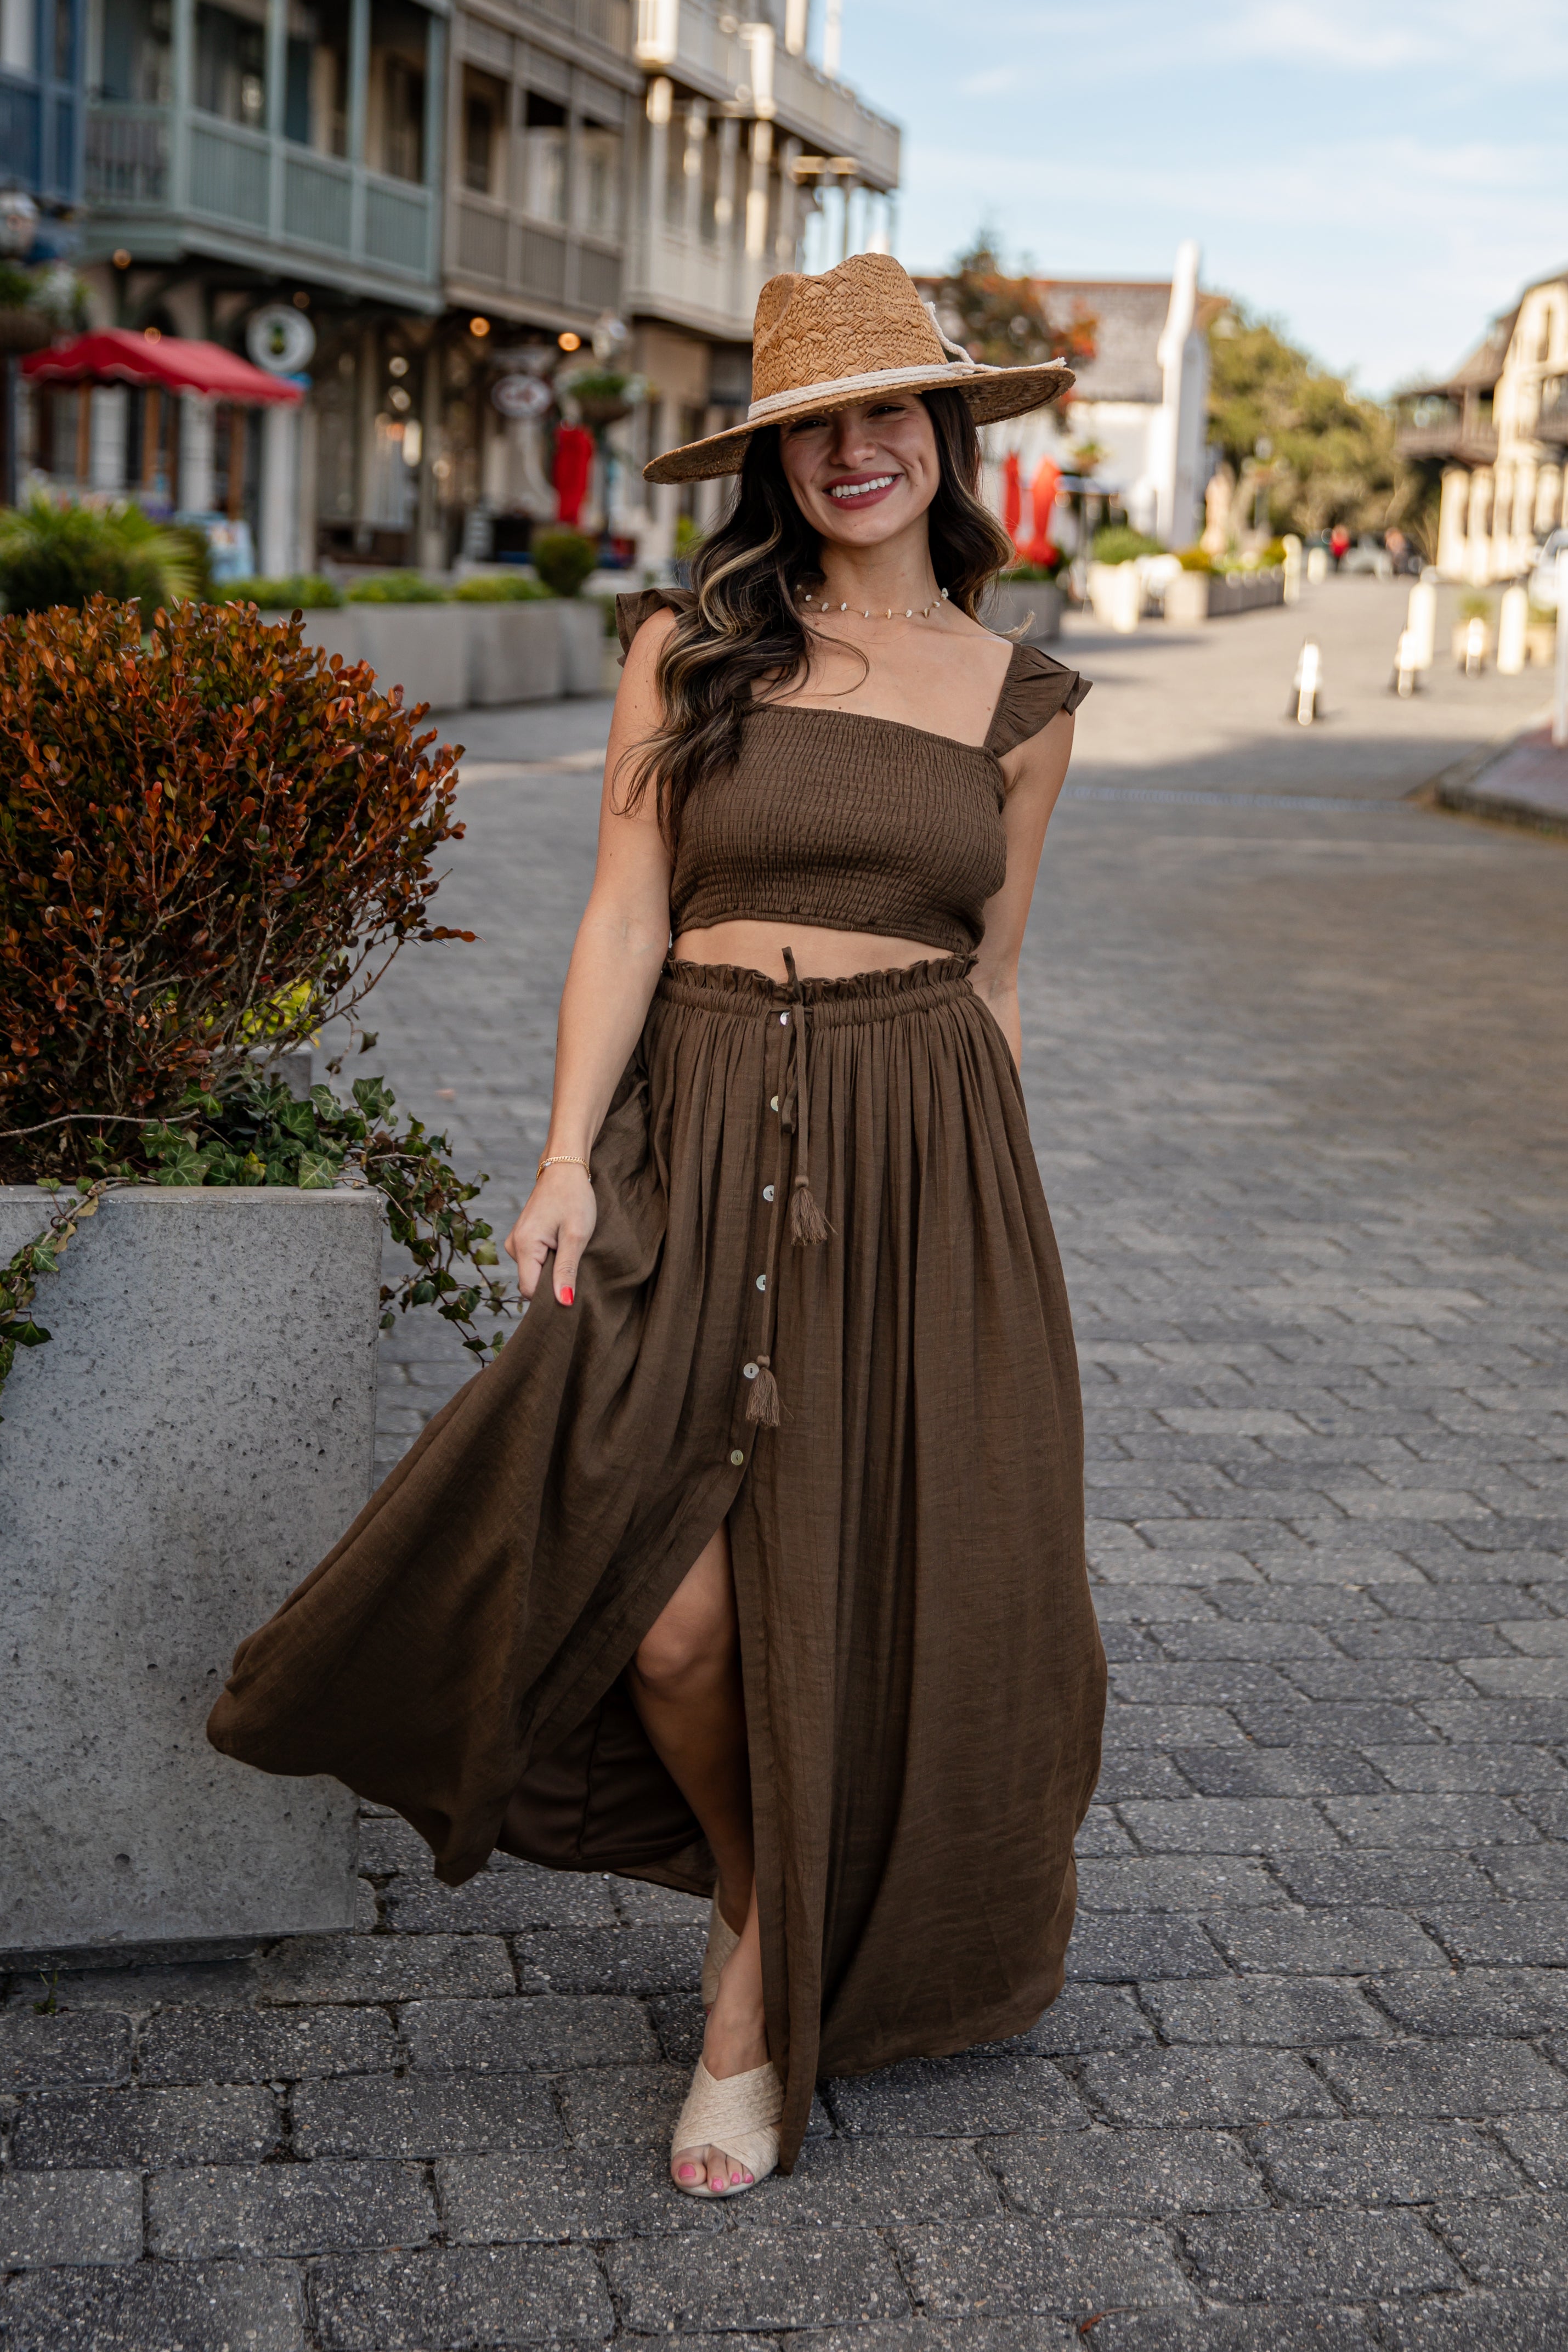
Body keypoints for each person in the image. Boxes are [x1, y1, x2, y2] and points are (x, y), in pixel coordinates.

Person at [208, 253, 1107, 2202]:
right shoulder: (688, 647)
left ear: (946, 437)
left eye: (885, 416)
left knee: (860, 1573)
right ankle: (769, 1890)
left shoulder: (1026, 705)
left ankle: (752, 1986)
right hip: (691, 1122)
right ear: (767, 459)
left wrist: (996, 1252)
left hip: (917, 1153)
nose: (851, 454)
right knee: (673, 1603)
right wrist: (558, 1157)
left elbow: (999, 976)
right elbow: (624, 911)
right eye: (809, 428)